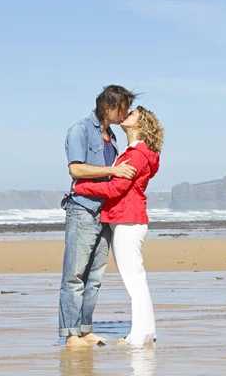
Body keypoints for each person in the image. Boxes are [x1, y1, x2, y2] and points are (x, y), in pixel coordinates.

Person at [73, 106, 164, 346]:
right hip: (130, 218)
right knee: (138, 279)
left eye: (132, 114)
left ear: (140, 124)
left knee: (134, 281)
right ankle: (145, 333)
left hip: (127, 219)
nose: (126, 116)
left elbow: (116, 189)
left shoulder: (136, 154)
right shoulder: (136, 151)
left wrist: (80, 187)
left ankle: (137, 336)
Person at [59, 85, 138, 347]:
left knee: (95, 277)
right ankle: (71, 335)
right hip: (82, 209)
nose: (125, 112)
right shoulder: (80, 130)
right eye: (122, 107)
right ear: (107, 107)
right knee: (74, 276)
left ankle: (85, 330)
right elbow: (76, 170)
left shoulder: (112, 136)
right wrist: (113, 171)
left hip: (105, 212)